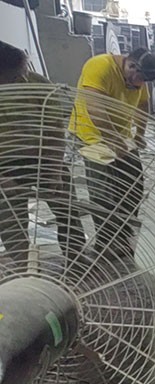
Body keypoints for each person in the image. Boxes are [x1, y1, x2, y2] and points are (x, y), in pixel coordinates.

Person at [0, 41, 87, 270]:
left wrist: (55, 171)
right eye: (15, 76)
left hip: (45, 157)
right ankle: (26, 269)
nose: (23, 77)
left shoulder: (38, 85)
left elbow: (55, 130)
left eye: (24, 71)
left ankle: (76, 258)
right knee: (10, 221)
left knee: (67, 207)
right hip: (4, 165)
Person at [68, 48, 155, 260]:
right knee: (102, 192)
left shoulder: (139, 76)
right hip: (92, 135)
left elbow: (143, 105)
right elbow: (95, 109)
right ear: (131, 65)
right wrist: (113, 140)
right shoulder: (100, 66)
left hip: (121, 135)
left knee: (133, 186)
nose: (138, 86)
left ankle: (123, 236)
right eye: (138, 80)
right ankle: (106, 243)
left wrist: (139, 134)